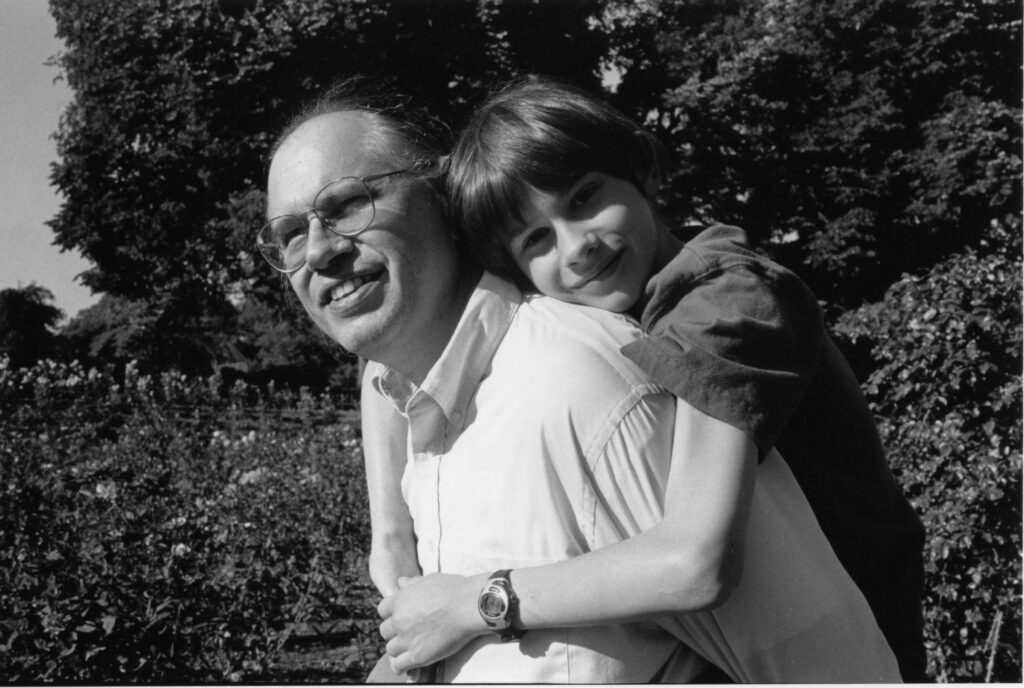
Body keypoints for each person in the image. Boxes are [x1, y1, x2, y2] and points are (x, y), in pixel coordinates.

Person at [374, 76, 925, 681]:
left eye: (583, 198)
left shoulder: (730, 302)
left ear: (640, 169)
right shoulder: (611, 307)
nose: (576, 247)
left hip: (849, 647)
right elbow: (385, 345)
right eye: (537, 239)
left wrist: (472, 602)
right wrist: (393, 536)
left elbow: (696, 562)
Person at [258, 77, 712, 683]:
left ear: (442, 194)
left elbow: (783, 634)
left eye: (346, 205)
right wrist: (389, 534)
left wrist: (486, 602)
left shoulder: (582, 379)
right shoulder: (412, 397)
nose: (316, 251)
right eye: (289, 235)